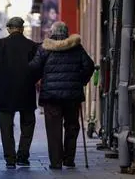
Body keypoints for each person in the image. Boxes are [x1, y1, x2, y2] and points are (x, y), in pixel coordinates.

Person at [29, 21, 94, 169]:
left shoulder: (44, 48)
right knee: (72, 127)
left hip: (51, 97)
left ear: (52, 33)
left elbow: (34, 68)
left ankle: (56, 162)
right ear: (67, 32)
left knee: (53, 129)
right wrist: (80, 81)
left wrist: (39, 79)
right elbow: (89, 65)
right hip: (72, 95)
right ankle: (69, 159)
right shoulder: (76, 47)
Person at [0, 17, 38, 169]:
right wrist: (31, 83)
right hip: (26, 91)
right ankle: (22, 156)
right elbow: (37, 69)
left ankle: (10, 158)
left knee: (6, 126)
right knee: (28, 123)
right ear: (22, 29)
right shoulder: (32, 46)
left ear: (9, 29)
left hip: (4, 92)